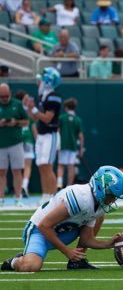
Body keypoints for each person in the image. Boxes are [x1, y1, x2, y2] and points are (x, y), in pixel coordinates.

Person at [1, 165, 123, 272]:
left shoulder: (98, 204)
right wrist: (66, 251)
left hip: (64, 231)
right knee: (31, 266)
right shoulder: (80, 197)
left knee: (100, 217)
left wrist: (108, 244)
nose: (113, 200)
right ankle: (14, 261)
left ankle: (77, 262)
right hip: (39, 231)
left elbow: (86, 239)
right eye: (112, 196)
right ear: (100, 187)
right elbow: (43, 226)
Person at [26, 67, 62, 205]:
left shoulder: (54, 96)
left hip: (49, 135)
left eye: (41, 79)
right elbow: (35, 118)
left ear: (48, 81)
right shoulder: (42, 96)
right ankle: (45, 196)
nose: (38, 82)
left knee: (47, 166)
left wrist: (34, 109)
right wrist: (29, 108)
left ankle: (53, 198)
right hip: (41, 135)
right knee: (41, 166)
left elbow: (47, 118)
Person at [0, 83, 28, 207]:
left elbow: (26, 121)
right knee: (1, 172)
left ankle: (18, 198)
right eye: (1, 96)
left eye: (6, 96)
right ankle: (1, 199)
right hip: (1, 144)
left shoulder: (17, 104)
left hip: (16, 143)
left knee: (17, 171)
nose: (4, 98)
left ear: (10, 93)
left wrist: (16, 122)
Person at [57, 98, 84, 190]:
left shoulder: (62, 118)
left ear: (66, 107)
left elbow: (58, 132)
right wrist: (81, 149)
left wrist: (57, 146)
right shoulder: (77, 120)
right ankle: (69, 186)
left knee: (61, 165)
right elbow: (80, 136)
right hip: (73, 147)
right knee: (71, 166)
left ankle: (59, 185)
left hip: (63, 145)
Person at [15, 89, 37, 198]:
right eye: (26, 99)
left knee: (18, 167)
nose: (28, 101)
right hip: (24, 140)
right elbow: (34, 129)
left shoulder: (15, 110)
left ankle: (21, 188)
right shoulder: (26, 111)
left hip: (19, 141)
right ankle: (23, 186)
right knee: (24, 166)